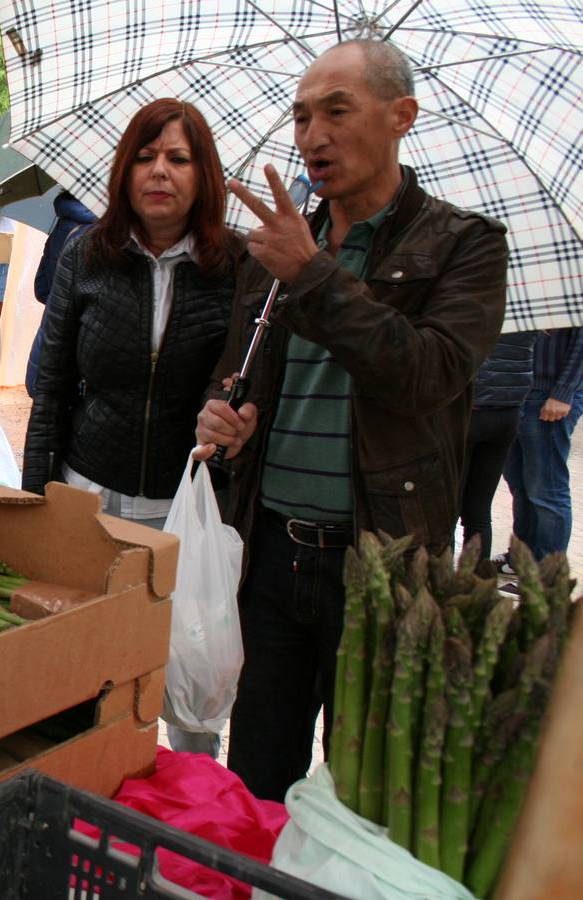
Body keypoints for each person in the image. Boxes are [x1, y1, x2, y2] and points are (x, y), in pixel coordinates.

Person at [191, 39, 508, 801]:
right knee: (259, 772)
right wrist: (229, 422)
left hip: (383, 558)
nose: (313, 135)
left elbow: (426, 375)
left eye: (338, 110)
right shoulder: (272, 245)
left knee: (362, 787)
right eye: (301, 116)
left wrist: (316, 275)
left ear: (402, 116)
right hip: (269, 551)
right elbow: (244, 372)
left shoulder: (464, 245)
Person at [22, 99, 239, 756]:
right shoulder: (87, 255)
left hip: (187, 509)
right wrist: (37, 502)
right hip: (91, 502)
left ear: (204, 174)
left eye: (178, 158)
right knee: (90, 672)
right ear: (123, 170)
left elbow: (241, 378)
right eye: (145, 157)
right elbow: (51, 388)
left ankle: (184, 824)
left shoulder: (236, 266)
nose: (159, 172)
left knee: (189, 682)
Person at [501, 327, 583, 566]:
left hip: (550, 394)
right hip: (516, 390)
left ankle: (547, 574)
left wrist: (563, 391)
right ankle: (523, 560)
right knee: (518, 481)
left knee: (546, 489)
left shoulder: (571, 290)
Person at [458, 333, 535, 561]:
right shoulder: (527, 310)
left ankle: (441, 584)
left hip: (471, 408)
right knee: (479, 511)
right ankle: (476, 583)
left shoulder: (479, 302)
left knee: (449, 509)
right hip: (508, 410)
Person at [25, 190, 97, 397]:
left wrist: (58, 304)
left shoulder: (59, 229)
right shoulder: (102, 235)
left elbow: (41, 288)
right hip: (80, 352)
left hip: (50, 337)